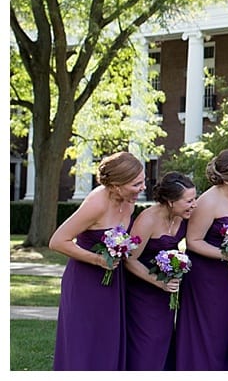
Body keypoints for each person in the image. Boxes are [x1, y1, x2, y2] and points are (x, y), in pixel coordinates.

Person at [50, 151, 146, 370]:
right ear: (116, 184)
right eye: (136, 183)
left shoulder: (128, 202)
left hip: (113, 283)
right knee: (84, 344)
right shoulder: (97, 203)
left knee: (108, 342)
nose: (143, 188)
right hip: (85, 283)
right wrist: (96, 260)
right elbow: (57, 241)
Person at [174, 149, 228, 371]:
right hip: (206, 277)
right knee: (208, 330)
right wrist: (225, 255)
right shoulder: (207, 202)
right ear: (227, 178)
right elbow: (193, 240)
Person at [125, 172, 196, 370]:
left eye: (195, 199)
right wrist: (158, 281)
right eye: (189, 200)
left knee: (164, 338)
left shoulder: (183, 216)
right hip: (142, 290)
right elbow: (129, 259)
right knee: (148, 341)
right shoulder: (147, 220)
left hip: (166, 291)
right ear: (171, 201)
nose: (194, 204)